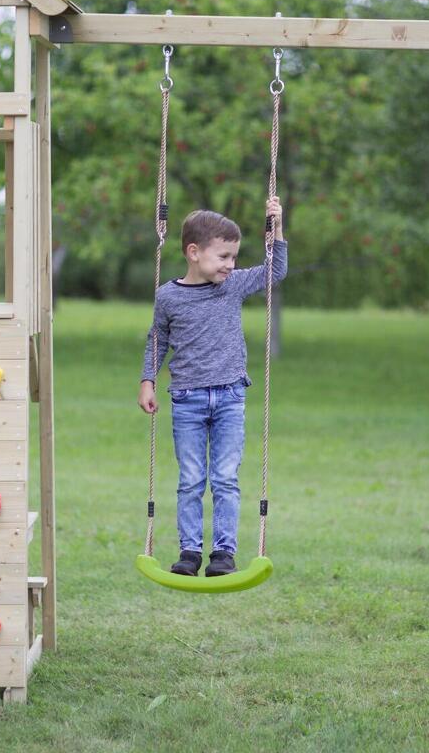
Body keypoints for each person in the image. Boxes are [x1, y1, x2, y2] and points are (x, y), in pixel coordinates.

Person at [138, 197, 287, 578]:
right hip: (186, 399)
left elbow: (277, 271)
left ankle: (223, 553)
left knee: (225, 478)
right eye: (223, 256)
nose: (230, 265)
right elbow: (158, 339)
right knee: (190, 479)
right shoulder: (168, 296)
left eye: (234, 257)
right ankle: (189, 552)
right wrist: (147, 380)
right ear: (193, 252)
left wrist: (277, 227)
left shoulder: (232, 286)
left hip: (230, 396)